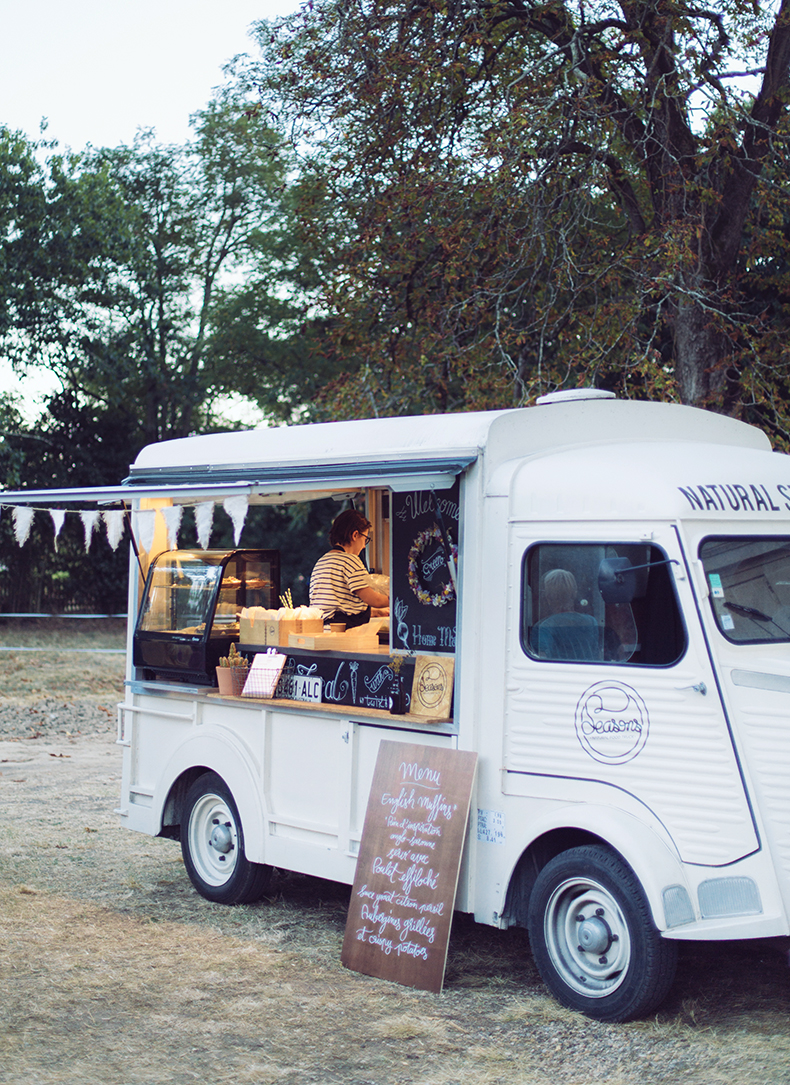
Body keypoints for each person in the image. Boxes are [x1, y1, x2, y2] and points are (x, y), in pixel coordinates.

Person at [309, 509, 389, 629]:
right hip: (342, 634)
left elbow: (339, 607)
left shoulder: (321, 562)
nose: (363, 546)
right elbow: (375, 600)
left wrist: (377, 612)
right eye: (365, 539)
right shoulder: (350, 561)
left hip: (320, 631)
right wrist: (398, 598)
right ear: (355, 535)